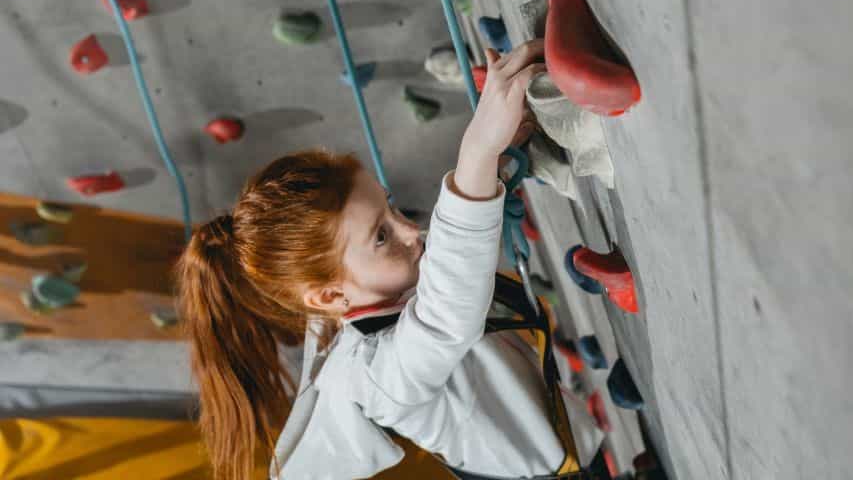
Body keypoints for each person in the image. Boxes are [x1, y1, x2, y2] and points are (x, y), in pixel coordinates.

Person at [176, 40, 606, 480]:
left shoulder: (361, 296)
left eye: (392, 208)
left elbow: (444, 274)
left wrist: (491, 162)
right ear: (330, 294)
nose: (411, 232)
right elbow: (443, 319)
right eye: (381, 236)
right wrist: (477, 152)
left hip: (567, 443)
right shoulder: (371, 378)